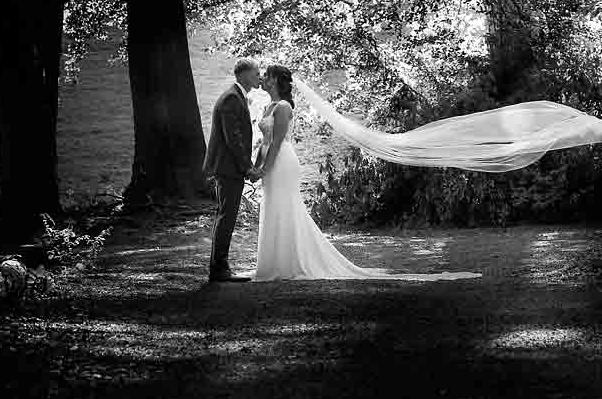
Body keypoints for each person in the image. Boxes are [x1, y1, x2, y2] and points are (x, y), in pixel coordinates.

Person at [247, 64, 481, 281]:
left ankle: (291, 262)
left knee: (285, 206)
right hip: (270, 161)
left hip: (282, 162)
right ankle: (273, 262)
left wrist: (264, 168)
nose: (263, 79)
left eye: (267, 75)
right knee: (273, 205)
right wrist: (256, 167)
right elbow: (264, 143)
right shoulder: (267, 106)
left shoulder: (284, 107)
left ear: (276, 80)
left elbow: (277, 143)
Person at [202, 58, 264, 282]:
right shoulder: (231, 98)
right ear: (244, 75)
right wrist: (247, 168)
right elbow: (233, 140)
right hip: (227, 169)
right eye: (256, 73)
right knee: (226, 217)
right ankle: (219, 270)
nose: (260, 76)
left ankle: (219, 268)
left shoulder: (236, 97)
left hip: (228, 168)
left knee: (225, 216)